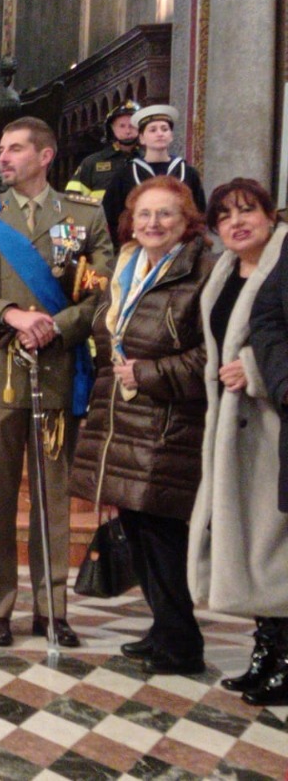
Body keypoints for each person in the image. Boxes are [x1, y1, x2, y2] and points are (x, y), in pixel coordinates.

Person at [0, 116, 112, 648]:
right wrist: (12, 316)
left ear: (45, 157)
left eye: (15, 149)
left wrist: (57, 327)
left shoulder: (83, 217)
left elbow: (102, 290)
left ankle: (53, 607)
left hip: (59, 370)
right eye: (1, 149)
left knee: (53, 499)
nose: (3, 157)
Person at [70, 177, 213, 674]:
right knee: (138, 525)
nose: (154, 224)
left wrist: (151, 374)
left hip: (170, 420)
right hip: (124, 417)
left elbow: (214, 354)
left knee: (161, 533)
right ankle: (165, 630)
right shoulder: (130, 265)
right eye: (145, 214)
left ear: (187, 221)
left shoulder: (205, 270)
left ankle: (183, 642)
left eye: (166, 215)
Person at [205, 179, 288, 706]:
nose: (237, 222)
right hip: (234, 423)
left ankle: (284, 659)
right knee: (255, 544)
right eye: (225, 217)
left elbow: (271, 337)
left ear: (269, 215)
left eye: (248, 211)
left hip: (274, 421)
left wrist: (255, 370)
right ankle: (265, 651)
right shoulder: (224, 271)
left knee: (275, 545)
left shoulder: (282, 261)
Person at [101, 104, 206, 241]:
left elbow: (199, 213)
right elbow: (111, 216)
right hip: (138, 247)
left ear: (171, 136)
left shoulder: (187, 173)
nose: (160, 133)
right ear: (142, 138)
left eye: (164, 129)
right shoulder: (126, 175)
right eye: (152, 130)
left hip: (180, 247)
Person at [65, 100, 140, 200]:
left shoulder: (149, 160)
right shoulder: (92, 162)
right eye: (122, 126)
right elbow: (72, 199)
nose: (127, 131)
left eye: (132, 126)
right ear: (111, 129)